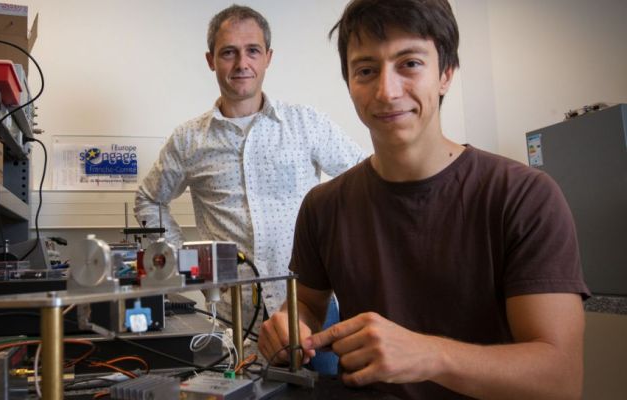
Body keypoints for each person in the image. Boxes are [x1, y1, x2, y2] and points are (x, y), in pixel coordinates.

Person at [257, 0, 589, 398]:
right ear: (349, 83)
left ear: (446, 73)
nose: (387, 90)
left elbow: (560, 379)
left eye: (409, 64)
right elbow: (309, 305)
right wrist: (292, 325)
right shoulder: (323, 206)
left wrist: (428, 355)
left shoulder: (523, 196)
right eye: (366, 70)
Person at [134, 4, 365, 357]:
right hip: (232, 322)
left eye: (252, 51)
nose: (242, 63)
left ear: (268, 57)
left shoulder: (306, 124)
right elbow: (149, 199)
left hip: (312, 314)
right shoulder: (188, 140)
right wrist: (183, 262)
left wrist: (340, 257)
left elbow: (364, 181)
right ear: (211, 60)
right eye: (229, 52)